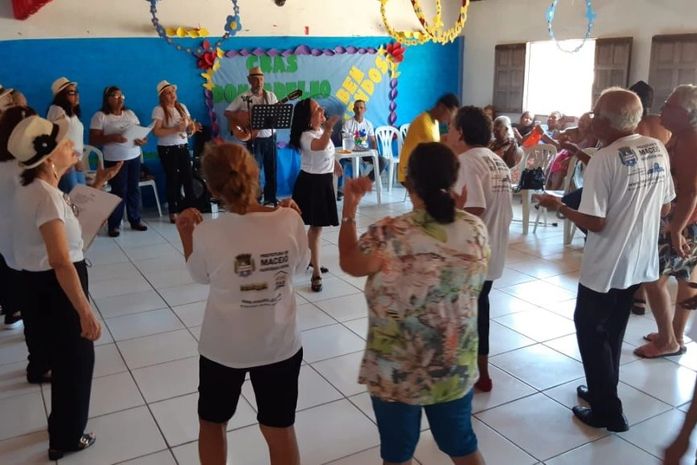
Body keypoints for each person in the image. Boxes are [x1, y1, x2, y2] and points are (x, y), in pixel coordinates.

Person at [338, 142, 489, 465]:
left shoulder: (388, 234)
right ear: (453, 180)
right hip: (453, 362)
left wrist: (349, 209)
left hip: (396, 370)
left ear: (410, 183)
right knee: (462, 446)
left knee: (397, 454)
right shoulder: (475, 229)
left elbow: (350, 262)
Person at [537, 88, 675, 432]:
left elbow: (595, 222)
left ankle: (607, 412)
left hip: (606, 264)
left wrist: (560, 206)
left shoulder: (605, 158)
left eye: (596, 113)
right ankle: (603, 390)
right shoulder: (654, 147)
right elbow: (665, 207)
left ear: (607, 122)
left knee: (590, 329)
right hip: (639, 259)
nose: (591, 118)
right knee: (613, 328)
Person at [175, 142, 308, 465]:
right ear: (255, 173)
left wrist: (186, 234)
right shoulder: (289, 219)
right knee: (280, 428)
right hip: (279, 345)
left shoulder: (208, 232)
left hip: (223, 348)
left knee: (212, 423)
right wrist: (294, 218)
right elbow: (301, 267)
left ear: (211, 187)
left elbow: (199, 276)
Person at [9, 115, 104, 460]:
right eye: (65, 144)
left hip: (37, 284)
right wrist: (85, 311)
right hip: (57, 287)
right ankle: (66, 437)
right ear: (48, 158)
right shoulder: (46, 197)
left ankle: (61, 426)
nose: (72, 148)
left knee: (64, 361)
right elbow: (61, 261)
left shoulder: (31, 189)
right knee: (75, 363)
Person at [452, 107, 513, 394]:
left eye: (452, 127)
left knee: (463, 313)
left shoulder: (466, 161)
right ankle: (482, 373)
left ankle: (465, 371)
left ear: (461, 132)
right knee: (480, 309)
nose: (448, 133)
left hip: (472, 256)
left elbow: (473, 207)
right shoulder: (495, 160)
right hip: (493, 251)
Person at [633, 84, 697, 359]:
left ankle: (668, 340)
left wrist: (677, 230)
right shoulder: (681, 136)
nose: (662, 109)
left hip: (682, 220)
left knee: (652, 278)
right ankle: (674, 335)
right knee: (685, 277)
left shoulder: (691, 141)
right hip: (682, 219)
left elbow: (690, 191)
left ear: (687, 113)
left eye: (669, 105)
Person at [289, 98, 342, 292]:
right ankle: (316, 272)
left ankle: (312, 260)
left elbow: (326, 150)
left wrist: (334, 163)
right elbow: (319, 146)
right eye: (318, 109)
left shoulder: (320, 131)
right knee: (315, 228)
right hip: (311, 184)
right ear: (308, 119)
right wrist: (328, 129)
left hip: (324, 182)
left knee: (316, 227)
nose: (322, 111)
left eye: (321, 108)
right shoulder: (306, 135)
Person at [628, 81, 672, 316]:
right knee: (650, 242)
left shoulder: (636, 125)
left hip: (642, 186)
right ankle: (640, 295)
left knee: (640, 241)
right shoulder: (662, 123)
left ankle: (635, 291)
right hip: (664, 184)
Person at [89, 86, 148, 237]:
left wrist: (142, 140)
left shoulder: (130, 113)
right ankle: (114, 224)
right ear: (107, 99)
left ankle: (135, 219)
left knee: (134, 189)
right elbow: (93, 139)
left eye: (122, 96)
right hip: (115, 159)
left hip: (134, 156)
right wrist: (112, 138)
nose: (120, 99)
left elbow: (141, 133)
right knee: (118, 191)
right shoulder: (100, 116)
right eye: (115, 96)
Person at [225, 66, 279, 206]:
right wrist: (241, 118)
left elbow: (277, 115)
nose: (259, 82)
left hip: (271, 138)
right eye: (255, 80)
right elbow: (227, 112)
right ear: (249, 80)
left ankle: (270, 198)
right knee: (254, 171)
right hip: (254, 139)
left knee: (272, 170)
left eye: (261, 79)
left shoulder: (271, 96)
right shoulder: (244, 97)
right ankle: (255, 199)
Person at [152, 80, 200, 223]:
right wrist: (175, 129)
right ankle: (173, 210)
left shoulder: (182, 107)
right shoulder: (159, 110)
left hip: (182, 146)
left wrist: (191, 128)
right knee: (173, 179)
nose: (172, 94)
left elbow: (189, 126)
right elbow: (156, 131)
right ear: (162, 96)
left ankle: (192, 209)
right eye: (168, 93)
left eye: (173, 91)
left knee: (188, 178)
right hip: (168, 149)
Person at [397, 93, 460, 185]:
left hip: (420, 169)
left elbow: (443, 142)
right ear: (441, 108)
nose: (451, 119)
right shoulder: (424, 123)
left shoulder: (435, 122)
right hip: (410, 173)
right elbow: (441, 150)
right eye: (451, 114)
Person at [337, 100, 387, 199]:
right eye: (357, 108)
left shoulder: (368, 124)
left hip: (364, 152)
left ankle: (365, 182)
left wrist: (374, 152)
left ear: (365, 110)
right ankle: (341, 190)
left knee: (382, 161)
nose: (359, 110)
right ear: (353, 109)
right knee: (342, 163)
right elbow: (342, 137)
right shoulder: (348, 123)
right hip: (350, 153)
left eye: (361, 108)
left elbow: (373, 140)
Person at [47, 77, 86, 194]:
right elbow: (57, 137)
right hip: (67, 163)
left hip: (76, 161)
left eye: (76, 92)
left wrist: (79, 159)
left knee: (81, 196)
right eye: (71, 92)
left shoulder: (72, 114)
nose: (76, 95)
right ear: (61, 96)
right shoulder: (56, 110)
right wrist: (73, 162)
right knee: (73, 196)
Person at [547, 112, 596, 190]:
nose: (582, 123)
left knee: (560, 172)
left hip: (578, 160)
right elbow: (556, 137)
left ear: (591, 125)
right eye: (581, 120)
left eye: (586, 122)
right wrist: (559, 128)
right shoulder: (571, 131)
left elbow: (586, 153)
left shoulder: (591, 137)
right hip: (565, 154)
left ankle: (552, 192)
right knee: (553, 165)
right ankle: (547, 189)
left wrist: (570, 159)